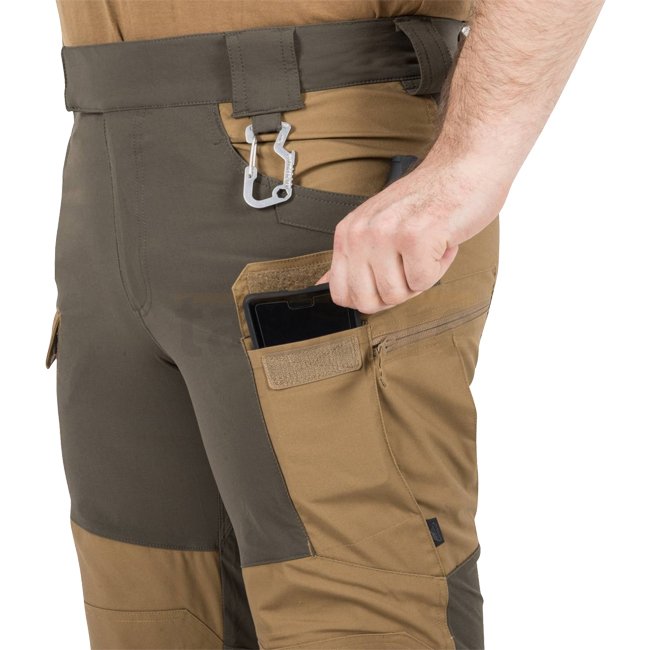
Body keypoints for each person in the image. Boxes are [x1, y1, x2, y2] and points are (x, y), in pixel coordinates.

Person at [48, 1, 604, 649]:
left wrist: (469, 165)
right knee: (149, 609)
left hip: (314, 152)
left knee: (359, 608)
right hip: (104, 161)